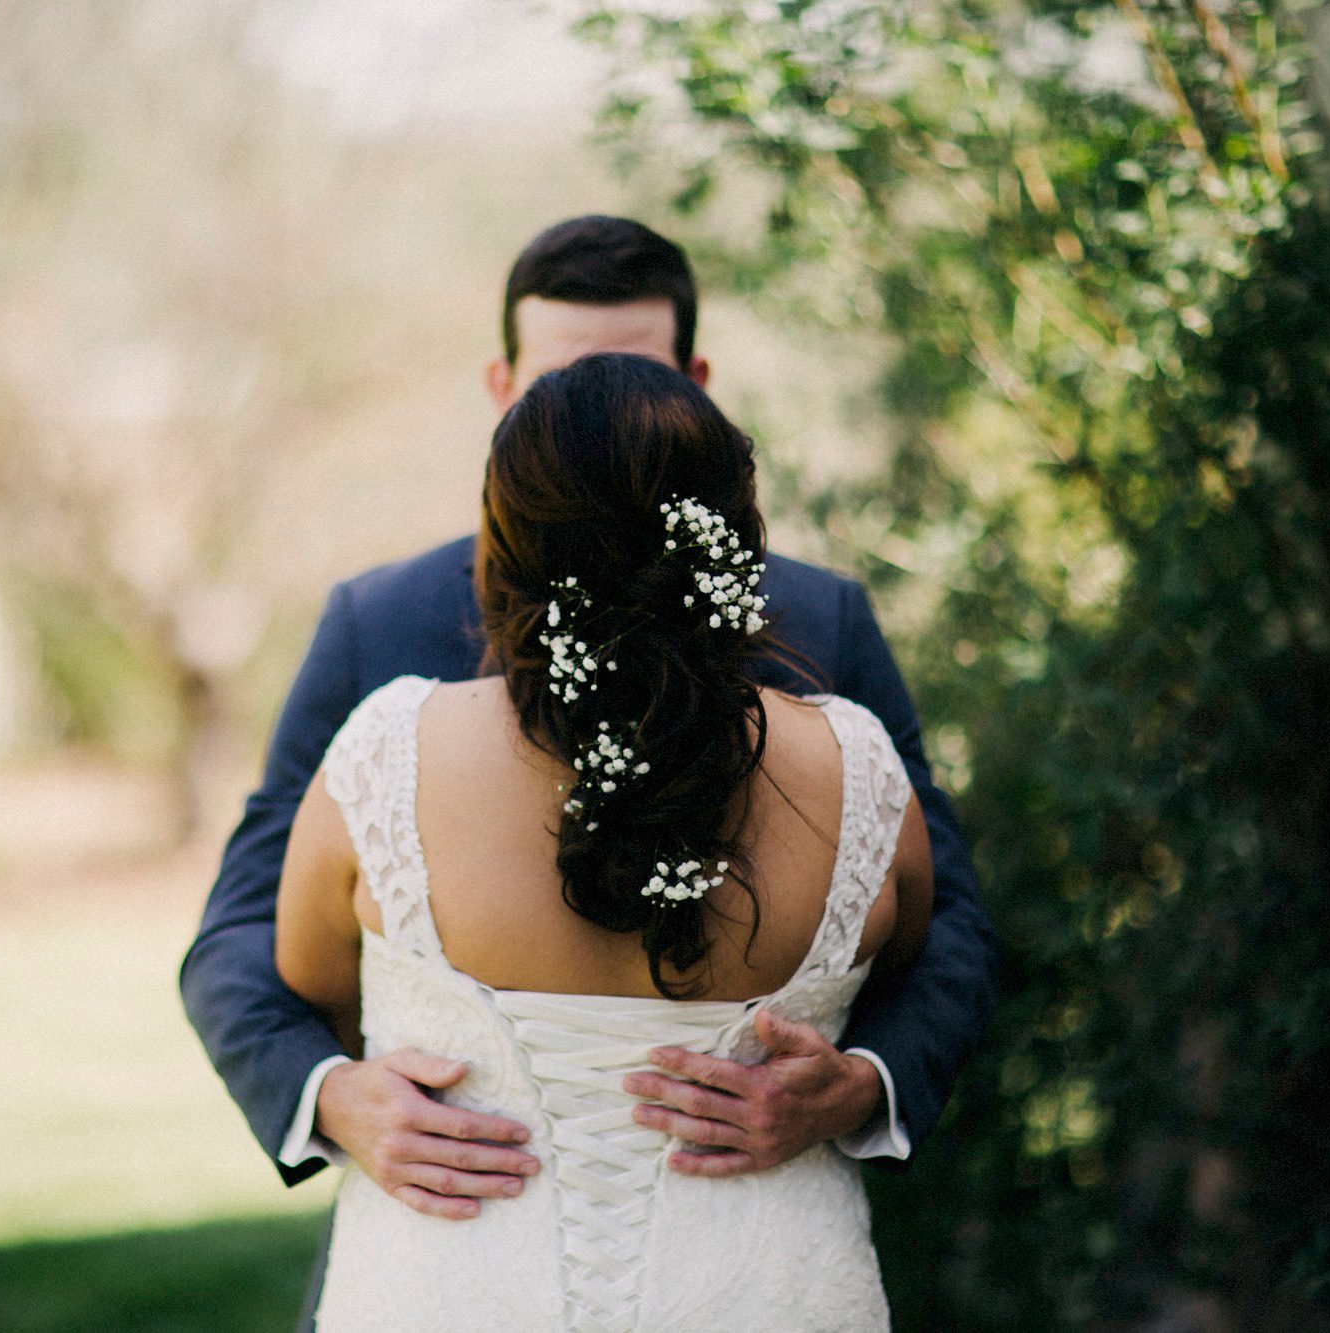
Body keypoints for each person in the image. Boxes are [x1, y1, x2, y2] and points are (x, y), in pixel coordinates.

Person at [179, 216, 999, 1327]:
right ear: (505, 388)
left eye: (638, 383)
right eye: (565, 385)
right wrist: (327, 1096)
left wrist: (866, 1081)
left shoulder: (823, 620)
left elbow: (942, 916)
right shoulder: (377, 623)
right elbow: (237, 932)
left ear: (694, 392)